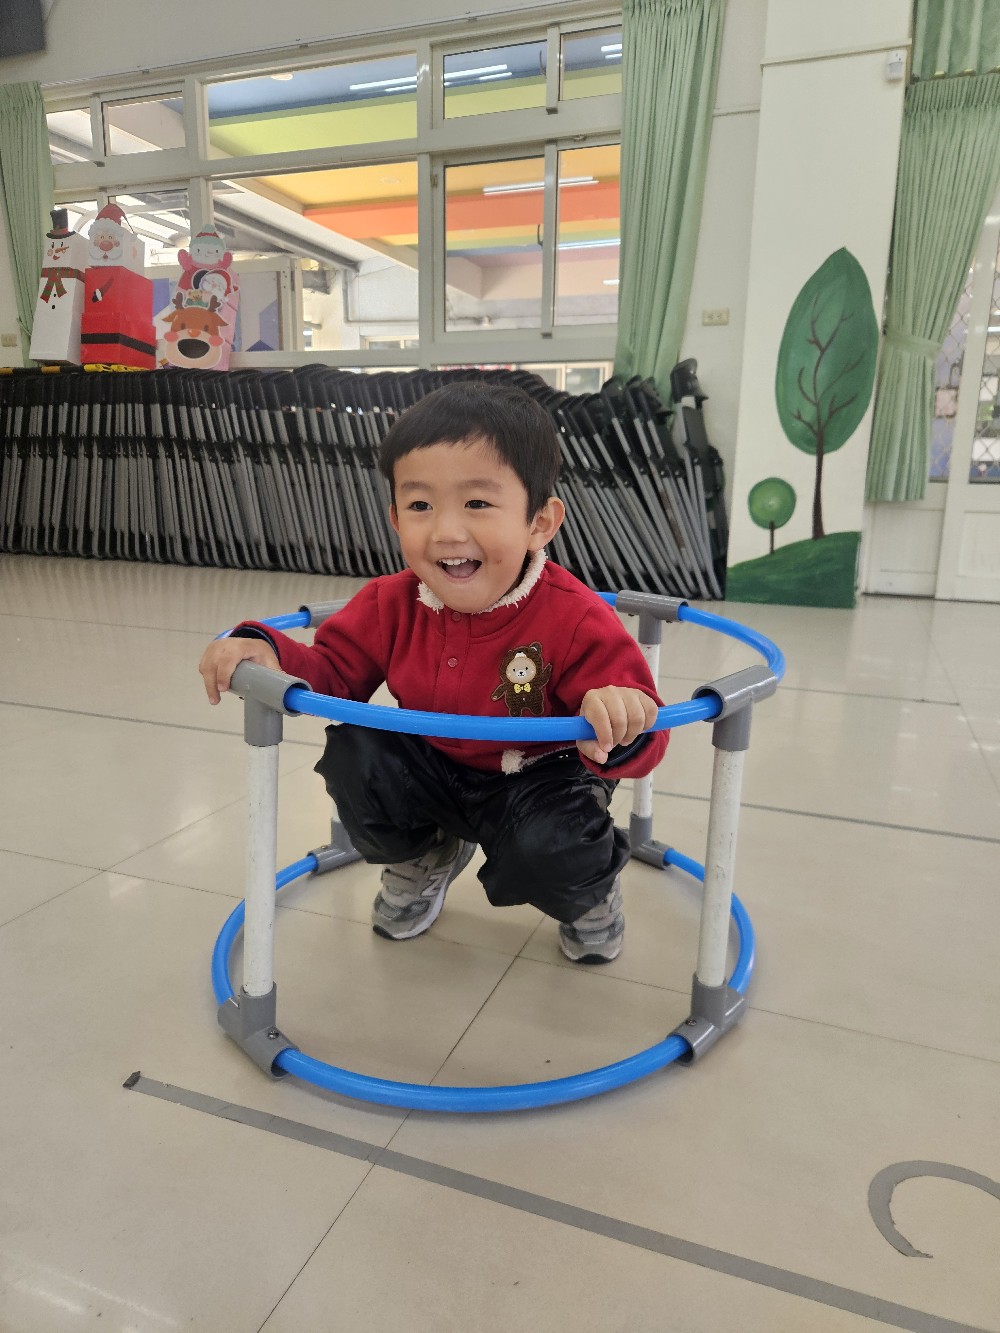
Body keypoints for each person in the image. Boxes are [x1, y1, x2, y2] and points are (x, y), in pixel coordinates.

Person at [199, 381, 668, 963]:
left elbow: (644, 727)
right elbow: (332, 673)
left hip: (540, 781)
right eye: (420, 506)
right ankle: (426, 853)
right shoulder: (389, 603)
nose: (445, 531)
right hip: (433, 766)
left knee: (553, 846)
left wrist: (621, 713)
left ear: (540, 522)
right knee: (358, 752)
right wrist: (270, 652)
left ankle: (588, 892)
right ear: (395, 519)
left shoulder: (577, 617)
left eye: (477, 504)